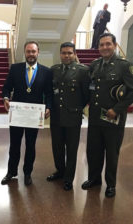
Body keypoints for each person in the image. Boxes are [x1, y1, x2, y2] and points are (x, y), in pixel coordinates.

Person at [82, 33, 133, 197]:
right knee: (93, 151)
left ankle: (111, 184)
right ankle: (94, 179)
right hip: (96, 116)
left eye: (108, 44)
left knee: (111, 153)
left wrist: (117, 109)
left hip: (113, 118)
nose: (104, 47)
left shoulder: (124, 66)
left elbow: (131, 91)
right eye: (101, 45)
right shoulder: (95, 64)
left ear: (115, 45)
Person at [1, 41, 53, 186]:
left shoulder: (46, 71)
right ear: (25, 52)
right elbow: (6, 88)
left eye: (33, 51)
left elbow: (49, 93)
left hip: (34, 116)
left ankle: (27, 173)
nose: (31, 54)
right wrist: (5, 98)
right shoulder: (15, 68)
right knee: (14, 145)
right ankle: (11, 172)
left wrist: (49, 107)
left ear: (38, 52)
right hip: (17, 114)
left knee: (31, 145)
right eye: (28, 51)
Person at [47, 42, 91, 191]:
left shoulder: (83, 71)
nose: (66, 56)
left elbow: (86, 95)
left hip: (73, 117)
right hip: (56, 117)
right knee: (57, 148)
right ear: (60, 54)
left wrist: (76, 108)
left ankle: (68, 178)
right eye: (64, 53)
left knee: (71, 149)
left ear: (74, 54)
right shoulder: (54, 70)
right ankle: (60, 171)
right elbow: (50, 91)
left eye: (69, 53)